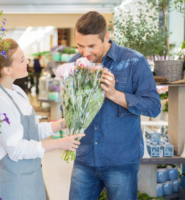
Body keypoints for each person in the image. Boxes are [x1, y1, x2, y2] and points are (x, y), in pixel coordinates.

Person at [68, 11, 161, 200]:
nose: (86, 53)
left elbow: (153, 107)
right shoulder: (74, 64)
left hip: (121, 161)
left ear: (107, 37)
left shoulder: (134, 62)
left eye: (92, 46)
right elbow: (68, 109)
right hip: (84, 159)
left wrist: (114, 94)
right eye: (80, 45)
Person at [0, 38, 84, 200]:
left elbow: (33, 130)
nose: (27, 62)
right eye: (22, 60)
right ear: (7, 70)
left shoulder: (17, 91)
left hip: (30, 176)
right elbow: (16, 149)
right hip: (10, 181)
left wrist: (63, 123)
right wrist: (59, 143)